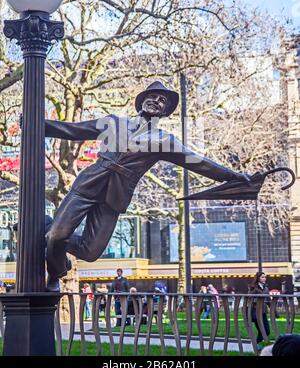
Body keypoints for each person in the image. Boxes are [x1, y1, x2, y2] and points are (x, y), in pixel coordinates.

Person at [44, 81, 251, 291]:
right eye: (152, 96)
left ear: (165, 111)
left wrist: (233, 176)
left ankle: (46, 228)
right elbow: (73, 130)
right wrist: (40, 124)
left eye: (163, 101)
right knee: (55, 236)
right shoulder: (114, 122)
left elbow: (199, 162)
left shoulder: (164, 140)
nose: (156, 101)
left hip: (114, 197)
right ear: (142, 100)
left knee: (89, 252)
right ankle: (55, 273)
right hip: (89, 184)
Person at [248, 271, 271, 352]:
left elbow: (268, 300)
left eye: (265, 277)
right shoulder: (253, 287)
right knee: (262, 330)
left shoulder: (266, 288)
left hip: (263, 312)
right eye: (262, 277)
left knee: (267, 331)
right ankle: (258, 348)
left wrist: (274, 312)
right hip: (256, 313)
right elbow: (249, 298)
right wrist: (256, 290)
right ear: (258, 278)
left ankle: (257, 345)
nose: (264, 278)